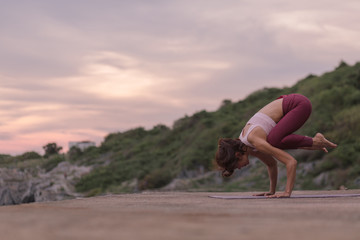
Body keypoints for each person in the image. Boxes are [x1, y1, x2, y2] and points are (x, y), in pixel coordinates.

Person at [215, 93, 337, 198]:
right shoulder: (248, 145)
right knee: (274, 141)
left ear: (238, 154)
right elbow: (271, 164)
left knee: (274, 141)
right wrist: (271, 191)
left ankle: (315, 141)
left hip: (299, 104)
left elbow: (291, 162)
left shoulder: (254, 140)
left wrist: (287, 192)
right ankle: (315, 142)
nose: (240, 168)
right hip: (293, 104)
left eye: (237, 166)